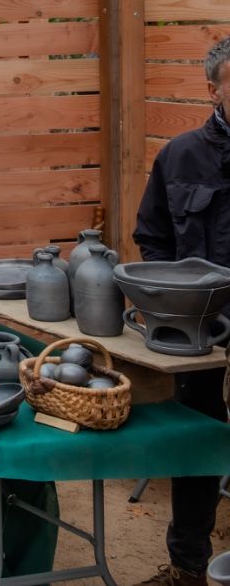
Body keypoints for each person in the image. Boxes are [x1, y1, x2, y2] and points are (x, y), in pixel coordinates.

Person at [132, 37, 230, 586]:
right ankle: (188, 567)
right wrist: (178, 301)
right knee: (196, 443)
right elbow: (153, 235)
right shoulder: (179, 155)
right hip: (200, 332)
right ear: (214, 89)